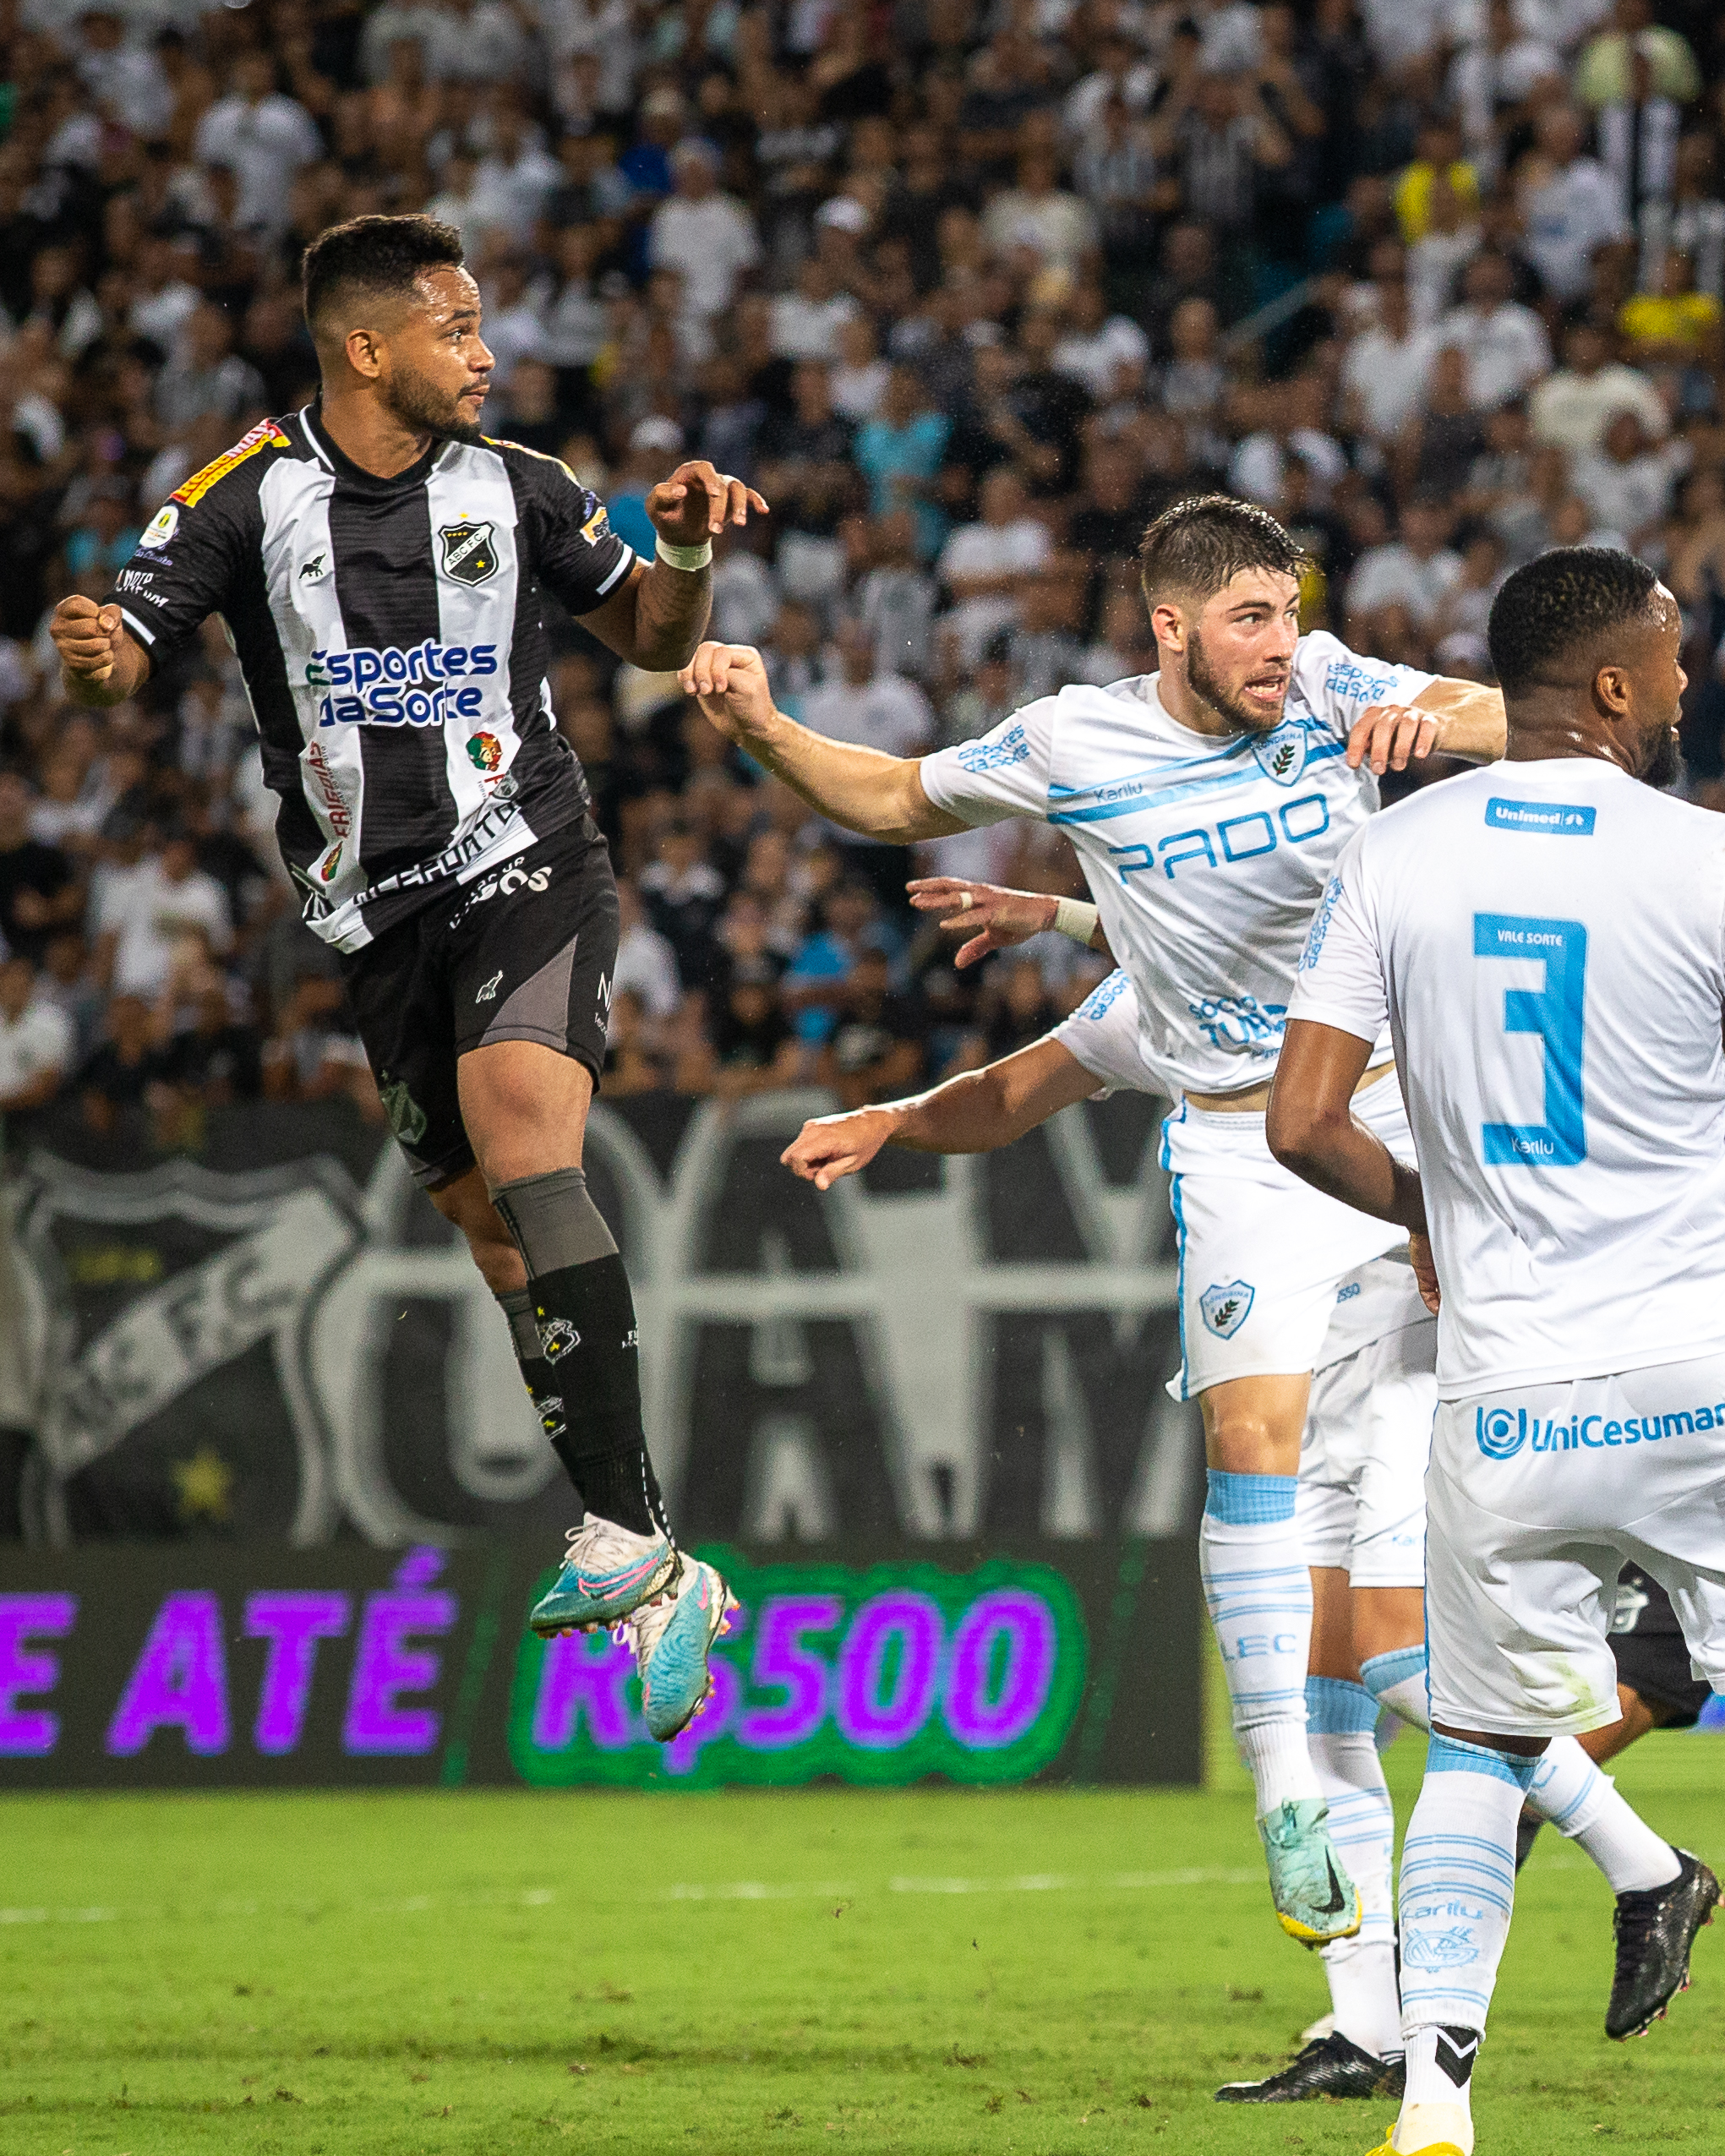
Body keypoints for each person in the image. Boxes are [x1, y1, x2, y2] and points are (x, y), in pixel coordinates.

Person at [680, 493, 1507, 1947]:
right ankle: (1284, 1800)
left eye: (1289, 611)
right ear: (1169, 627)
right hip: (1244, 1143)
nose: (1280, 642)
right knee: (1249, 1444)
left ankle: (1586, 1720)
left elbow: (1518, 722)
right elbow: (889, 799)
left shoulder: (1331, 685)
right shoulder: (1073, 743)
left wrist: (1432, 722)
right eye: (1248, 619)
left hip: (1397, 1114)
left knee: (1424, 1544)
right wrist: (761, 723)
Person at [47, 213, 769, 1745]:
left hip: (525, 856)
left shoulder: (522, 488)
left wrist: (688, 552)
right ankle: (654, 1557)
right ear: (367, 347)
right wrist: (97, 655)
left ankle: (623, 1535)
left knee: (525, 1146)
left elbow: (652, 641)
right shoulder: (245, 497)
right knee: (492, 1238)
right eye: (457, 328)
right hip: (370, 921)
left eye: (482, 324)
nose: (486, 354)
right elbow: (126, 649)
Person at [786, 956, 1690, 2103]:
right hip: (1308, 1369)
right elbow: (1010, 1093)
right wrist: (891, 1119)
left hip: (1428, 1342)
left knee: (1394, 1655)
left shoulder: (1381, 967)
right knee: (1324, 1705)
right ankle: (1366, 2029)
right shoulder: (1169, 992)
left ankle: (1644, 1865)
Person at [1267, 546, 1725, 2156]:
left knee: (1481, 1734)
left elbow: (1301, 1123)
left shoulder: (1393, 855)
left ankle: (1433, 2102)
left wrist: (1435, 1216)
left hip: (1507, 1397)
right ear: (1609, 685)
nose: (1683, 681)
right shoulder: (1703, 858)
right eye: (1669, 659)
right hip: (1698, 1369)